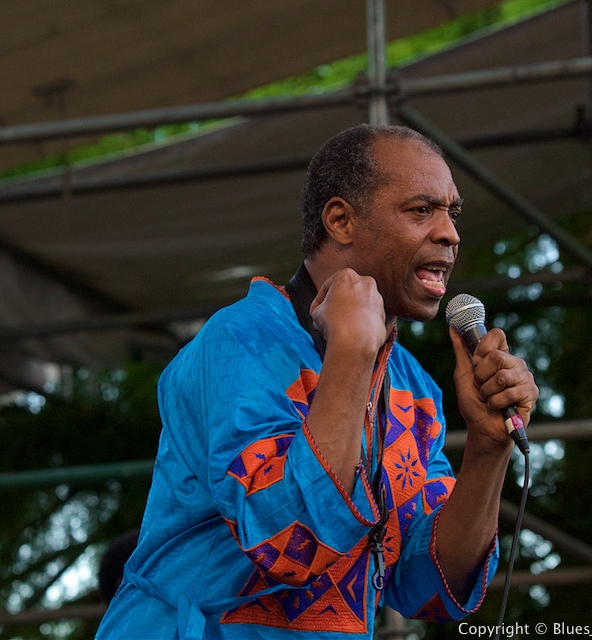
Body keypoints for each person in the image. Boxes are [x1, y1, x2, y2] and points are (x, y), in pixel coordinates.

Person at [95, 124, 538, 639]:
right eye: (422, 211)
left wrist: (487, 448)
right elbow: (287, 541)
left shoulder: (413, 389)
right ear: (341, 220)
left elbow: (428, 584)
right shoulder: (239, 342)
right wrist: (351, 353)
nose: (450, 234)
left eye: (452, 213)